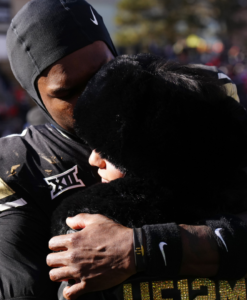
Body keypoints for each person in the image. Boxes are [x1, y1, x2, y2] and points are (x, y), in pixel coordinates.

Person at [0, 1, 247, 300]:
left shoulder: (189, 100)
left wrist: (140, 247)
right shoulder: (23, 163)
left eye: (102, 72)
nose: (92, 97)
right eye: (67, 91)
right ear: (38, 99)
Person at [51, 54, 247, 299]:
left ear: (154, 155)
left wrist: (141, 248)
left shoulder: (89, 232)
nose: (93, 160)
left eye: (108, 150)